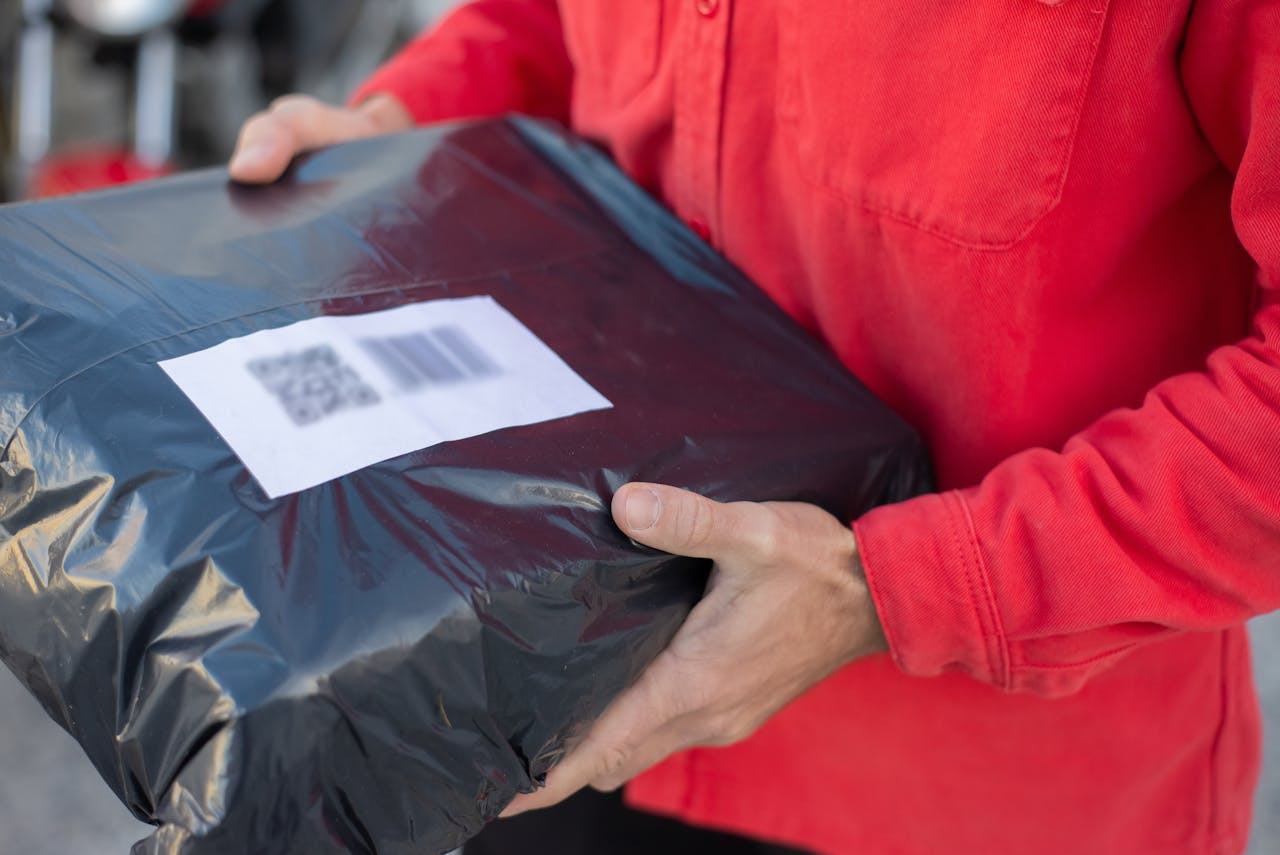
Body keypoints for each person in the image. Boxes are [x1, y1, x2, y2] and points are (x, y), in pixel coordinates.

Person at [229, 2, 1280, 854]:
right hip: (545, 686)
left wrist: (906, 589)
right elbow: (556, 21)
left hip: (969, 794)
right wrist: (411, 119)